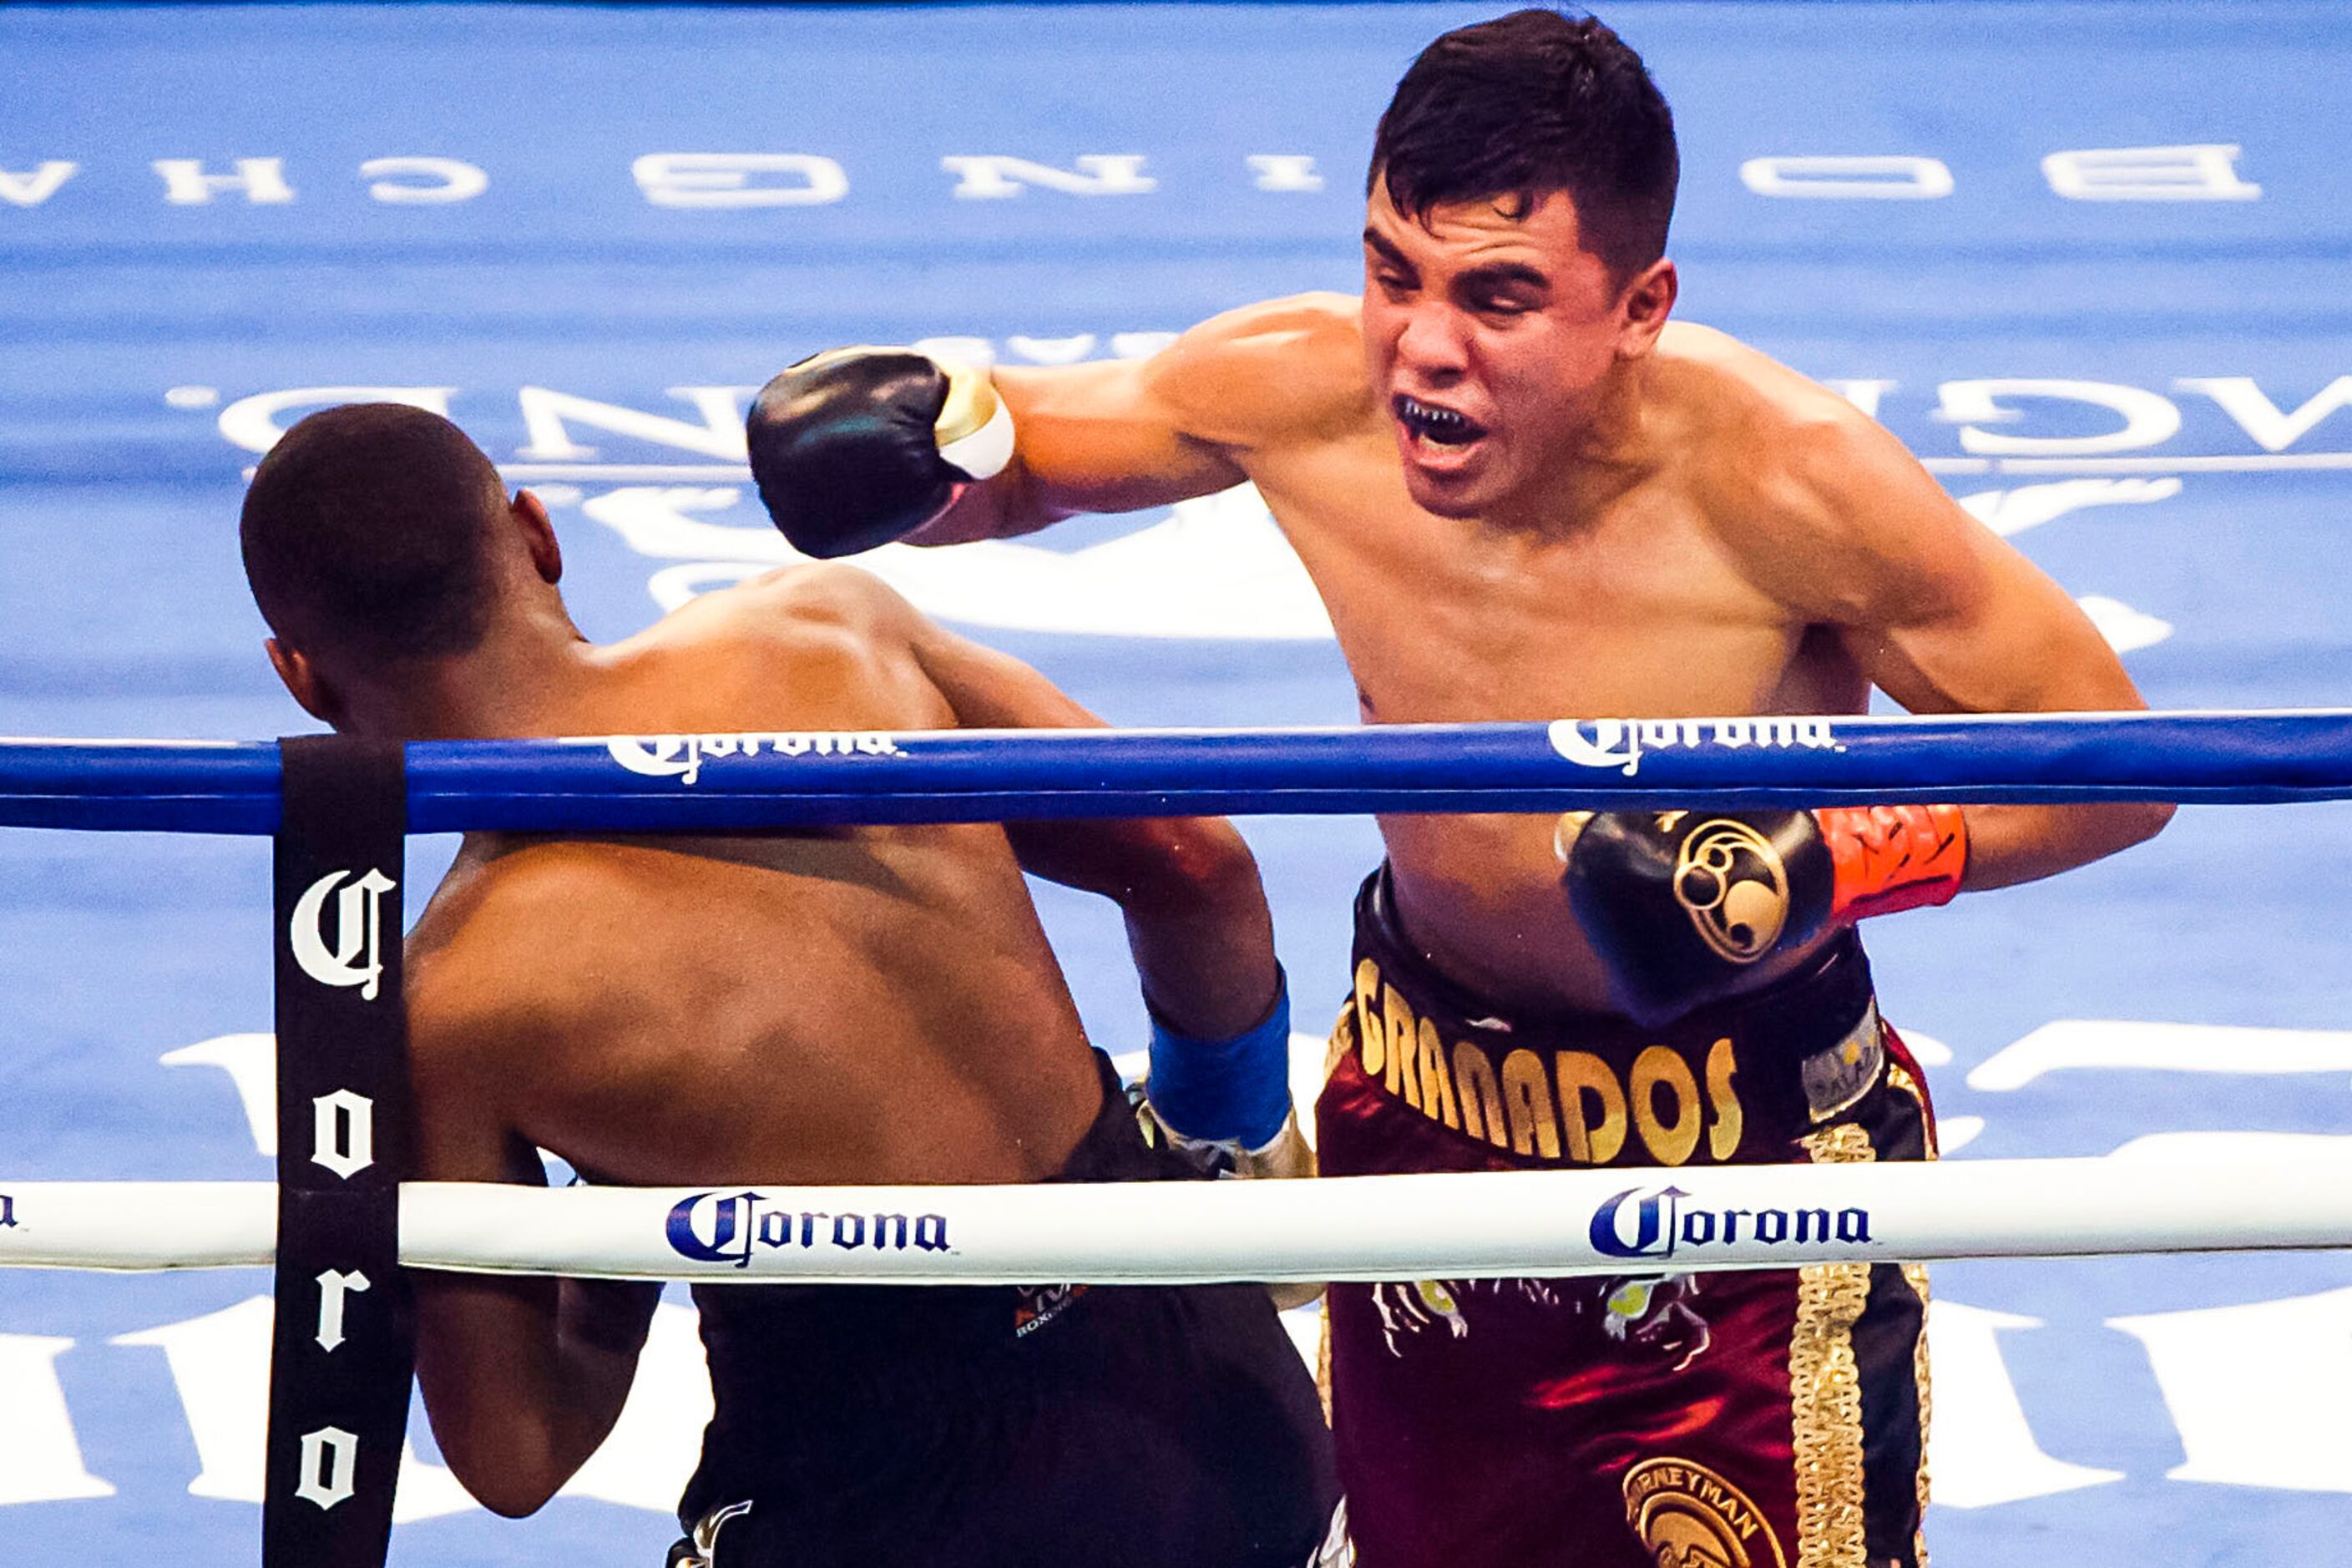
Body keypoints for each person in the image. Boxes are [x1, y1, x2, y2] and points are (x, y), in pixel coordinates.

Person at [740, 10, 2173, 1565]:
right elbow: (1010, 453)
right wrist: (900, 440)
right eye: (1391, 272)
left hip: (1742, 1162)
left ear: (1639, 307)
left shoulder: (1790, 484)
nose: (1423, 345)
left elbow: (2112, 761)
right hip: (1418, 1108)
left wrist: (1833, 859)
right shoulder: (1296, 390)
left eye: (1499, 297)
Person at [236, 402, 1341, 1568]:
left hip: (896, 1498)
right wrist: (1237, 1151)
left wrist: (627, 1211)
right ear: (535, 531)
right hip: (1221, 1399)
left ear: (301, 677)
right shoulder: (829, 625)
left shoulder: (455, 1004)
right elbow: (1195, 868)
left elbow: (516, 1455)